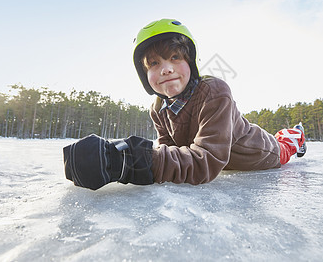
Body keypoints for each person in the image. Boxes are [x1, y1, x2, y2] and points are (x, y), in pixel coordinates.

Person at [63, 18, 306, 190]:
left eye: (175, 57)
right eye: (155, 63)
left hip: (259, 154)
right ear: (144, 75)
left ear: (191, 62)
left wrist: (134, 163)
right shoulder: (158, 108)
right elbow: (170, 148)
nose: (166, 68)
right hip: (228, 162)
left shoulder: (215, 91)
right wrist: (124, 156)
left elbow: (206, 161)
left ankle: (295, 135)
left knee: (284, 146)